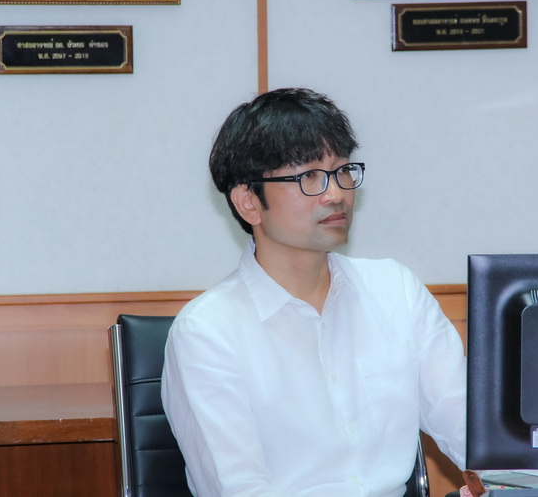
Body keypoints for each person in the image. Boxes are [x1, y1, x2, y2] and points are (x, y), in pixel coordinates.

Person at [161, 87, 466, 497]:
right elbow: (239, 489)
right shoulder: (207, 332)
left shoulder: (396, 292)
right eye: (308, 177)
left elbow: (470, 429)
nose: (336, 194)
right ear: (249, 202)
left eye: (342, 171)